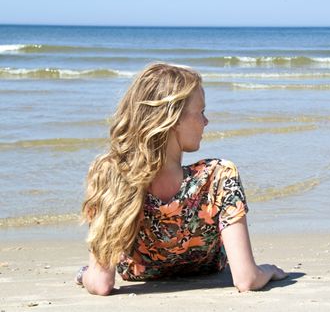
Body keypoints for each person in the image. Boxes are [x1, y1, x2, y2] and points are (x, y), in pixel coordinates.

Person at [77, 63, 287, 295]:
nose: (206, 122)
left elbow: (100, 284)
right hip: (206, 270)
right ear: (174, 118)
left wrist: (85, 274)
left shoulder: (113, 174)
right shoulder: (218, 175)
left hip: (140, 273)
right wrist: (267, 270)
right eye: (201, 112)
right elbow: (246, 279)